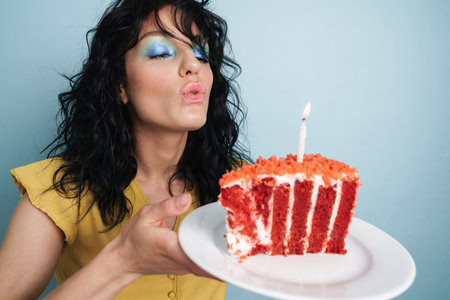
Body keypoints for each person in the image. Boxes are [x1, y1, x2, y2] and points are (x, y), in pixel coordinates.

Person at [0, 0, 251, 299]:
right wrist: (123, 263)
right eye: (161, 52)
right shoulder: (58, 191)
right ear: (120, 84)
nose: (193, 65)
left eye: (201, 52)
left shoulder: (238, 182)